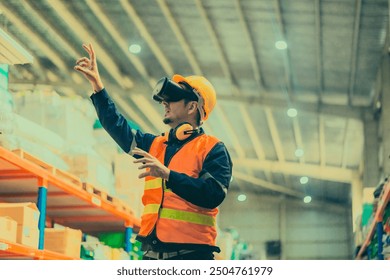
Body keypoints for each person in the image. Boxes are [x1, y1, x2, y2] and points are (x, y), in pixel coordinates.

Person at [74, 43, 233, 260]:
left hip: (192, 258)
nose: (165, 103)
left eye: (173, 99)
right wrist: (98, 87)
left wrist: (168, 175)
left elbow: (212, 194)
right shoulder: (156, 145)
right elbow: (117, 126)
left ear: (192, 107)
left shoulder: (212, 148)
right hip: (151, 256)